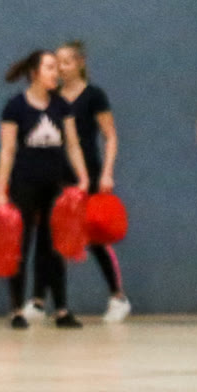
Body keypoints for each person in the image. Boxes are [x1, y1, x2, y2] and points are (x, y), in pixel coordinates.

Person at [0, 50, 91, 329]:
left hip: (55, 186)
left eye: (56, 68)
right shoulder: (15, 107)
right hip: (24, 185)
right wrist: (1, 192)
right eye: (50, 67)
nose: (56, 73)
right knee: (20, 246)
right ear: (34, 73)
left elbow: (72, 144)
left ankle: (61, 310)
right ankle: (16, 310)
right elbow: (7, 151)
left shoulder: (61, 105)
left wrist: (83, 177)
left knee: (54, 248)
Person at [55, 41, 130, 322]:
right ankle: (56, 305)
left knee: (96, 239)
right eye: (57, 63)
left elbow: (110, 136)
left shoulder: (94, 95)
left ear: (80, 63)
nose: (62, 68)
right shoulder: (53, 98)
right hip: (60, 175)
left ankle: (118, 296)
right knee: (57, 240)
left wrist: (107, 172)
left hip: (90, 174)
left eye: (67, 62)